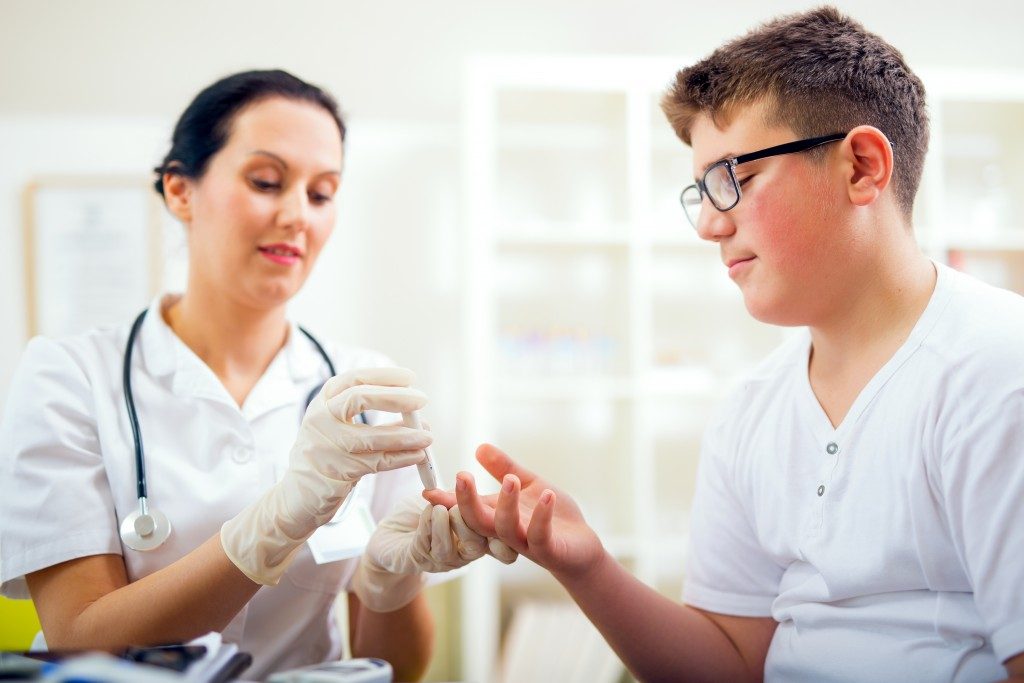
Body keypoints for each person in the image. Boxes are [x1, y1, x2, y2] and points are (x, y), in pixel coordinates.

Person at [427, 7, 1024, 682]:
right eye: (702, 190)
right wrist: (584, 563)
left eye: (733, 177)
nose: (711, 224)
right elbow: (733, 662)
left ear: (861, 167)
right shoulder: (752, 409)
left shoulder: (999, 369)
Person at [0, 69, 499, 681]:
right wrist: (275, 521)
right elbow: (77, 637)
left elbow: (397, 667)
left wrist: (391, 582)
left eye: (322, 194)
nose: (297, 215)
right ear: (181, 191)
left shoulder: (364, 385)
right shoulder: (71, 375)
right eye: (266, 181)